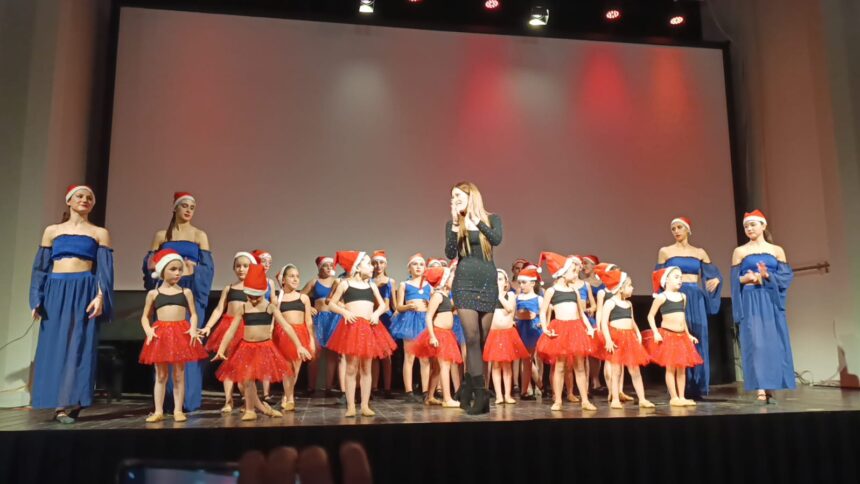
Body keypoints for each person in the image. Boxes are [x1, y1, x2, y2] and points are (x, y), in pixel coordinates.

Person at [29, 185, 114, 424]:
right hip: (56, 290)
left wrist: (100, 297)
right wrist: (36, 298)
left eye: (89, 197)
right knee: (55, 344)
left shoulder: (99, 233)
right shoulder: (52, 231)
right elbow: (40, 268)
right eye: (80, 196)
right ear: (69, 200)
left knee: (78, 343)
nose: (85, 200)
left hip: (84, 289)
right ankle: (57, 403)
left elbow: (104, 271)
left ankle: (72, 401)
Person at [142, 192, 214, 411]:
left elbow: (207, 267)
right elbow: (149, 264)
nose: (189, 210)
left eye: (192, 207)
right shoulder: (161, 235)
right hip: (167, 290)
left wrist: (193, 270)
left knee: (187, 343)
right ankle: (165, 402)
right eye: (184, 206)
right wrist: (160, 272)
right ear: (175, 208)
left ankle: (187, 401)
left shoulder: (199, 234)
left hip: (191, 288)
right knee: (165, 343)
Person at [213, 264, 311, 421]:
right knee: (247, 380)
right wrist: (221, 349)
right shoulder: (243, 308)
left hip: (264, 348)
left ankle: (263, 407)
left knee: (254, 380)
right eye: (250, 296)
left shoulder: (270, 308)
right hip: (246, 347)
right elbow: (231, 330)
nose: (253, 300)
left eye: (256, 296)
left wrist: (299, 345)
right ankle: (251, 409)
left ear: (263, 292)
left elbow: (286, 326)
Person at [445, 182, 503, 415]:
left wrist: (475, 219)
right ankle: (481, 394)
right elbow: (450, 253)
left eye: (458, 195)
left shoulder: (492, 219)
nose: (455, 199)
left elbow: (496, 239)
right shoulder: (453, 224)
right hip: (464, 284)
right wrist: (456, 224)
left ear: (471, 196)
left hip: (488, 283)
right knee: (471, 337)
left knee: (481, 342)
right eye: (452, 196)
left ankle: (467, 385)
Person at [730, 210, 795, 403]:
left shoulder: (777, 250)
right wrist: (747, 278)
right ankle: (760, 387)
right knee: (756, 343)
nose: (749, 229)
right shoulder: (740, 251)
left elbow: (786, 277)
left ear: (763, 225)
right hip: (751, 298)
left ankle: (771, 387)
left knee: (772, 343)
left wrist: (767, 275)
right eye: (746, 226)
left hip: (770, 297)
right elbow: (735, 281)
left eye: (753, 225)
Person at [655, 216, 722, 398]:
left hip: (695, 296)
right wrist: (663, 300)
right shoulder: (665, 251)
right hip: (675, 297)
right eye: (673, 228)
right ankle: (679, 390)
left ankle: (698, 385)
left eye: (679, 227)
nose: (676, 231)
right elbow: (658, 278)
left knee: (697, 338)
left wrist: (716, 280)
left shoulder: (699, 252)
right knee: (678, 339)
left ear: (688, 230)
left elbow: (712, 274)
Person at [138, 249, 208, 422]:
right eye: (173, 269)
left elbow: (193, 314)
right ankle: (158, 411)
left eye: (180, 269)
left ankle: (178, 410)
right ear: (162, 270)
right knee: (161, 375)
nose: (178, 273)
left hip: (180, 333)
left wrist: (193, 328)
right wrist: (148, 330)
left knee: (179, 374)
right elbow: (145, 316)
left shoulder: (185, 292)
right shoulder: (154, 294)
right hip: (160, 335)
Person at [325, 251, 397, 417]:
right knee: (351, 367)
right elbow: (332, 304)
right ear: (357, 267)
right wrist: (344, 312)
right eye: (368, 264)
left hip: (369, 328)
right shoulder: (345, 284)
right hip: (352, 328)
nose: (372, 267)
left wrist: (376, 314)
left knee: (366, 368)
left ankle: (364, 405)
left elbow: (383, 305)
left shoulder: (371, 285)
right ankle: (351, 406)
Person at [535, 252, 598, 412]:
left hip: (575, 329)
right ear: (563, 272)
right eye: (573, 271)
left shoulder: (574, 291)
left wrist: (589, 328)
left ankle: (585, 400)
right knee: (560, 366)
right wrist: (545, 328)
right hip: (560, 330)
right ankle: (557, 400)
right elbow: (542, 312)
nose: (576, 275)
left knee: (580, 366)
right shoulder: (552, 291)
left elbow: (581, 313)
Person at [200, 251, 256, 413]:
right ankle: (228, 400)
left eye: (245, 266)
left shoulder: (254, 289)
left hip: (246, 328)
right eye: (238, 266)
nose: (241, 269)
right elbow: (219, 309)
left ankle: (247, 401)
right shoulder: (229, 288)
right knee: (229, 364)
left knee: (245, 367)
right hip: (228, 327)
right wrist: (208, 326)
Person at [645, 266, 703, 406]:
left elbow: (682, 318)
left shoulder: (683, 297)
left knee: (681, 368)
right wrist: (656, 332)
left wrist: (688, 335)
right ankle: (674, 397)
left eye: (681, 278)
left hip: (681, 336)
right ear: (666, 280)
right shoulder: (662, 297)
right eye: (676, 277)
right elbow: (650, 316)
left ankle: (682, 397)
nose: (680, 280)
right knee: (670, 368)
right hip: (668, 336)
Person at [599, 269, 655, 409]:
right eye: (629, 285)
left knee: (635, 370)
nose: (632, 288)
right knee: (616, 370)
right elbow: (604, 323)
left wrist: (637, 333)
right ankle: (615, 398)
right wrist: (608, 340)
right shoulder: (610, 303)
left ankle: (642, 399)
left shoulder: (628, 304)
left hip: (629, 338)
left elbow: (632, 320)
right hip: (616, 338)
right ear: (620, 288)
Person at [409, 266, 463, 408]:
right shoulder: (438, 296)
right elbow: (428, 317)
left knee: (437, 368)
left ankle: (430, 397)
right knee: (444, 366)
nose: (453, 280)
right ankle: (447, 398)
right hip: (439, 334)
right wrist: (432, 336)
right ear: (443, 280)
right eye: (450, 278)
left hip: (446, 334)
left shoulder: (445, 295)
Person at [389, 253, 431, 402]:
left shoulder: (429, 286)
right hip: (410, 321)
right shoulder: (404, 285)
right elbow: (399, 306)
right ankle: (409, 391)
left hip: (425, 321)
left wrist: (429, 304)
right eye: (415, 264)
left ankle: (426, 390)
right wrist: (407, 306)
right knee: (409, 357)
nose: (418, 267)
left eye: (421, 264)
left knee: (425, 358)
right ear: (409, 268)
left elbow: (435, 305)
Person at [483, 269, 528, 404]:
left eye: (501, 279)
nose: (498, 281)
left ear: (506, 282)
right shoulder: (488, 296)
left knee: (507, 365)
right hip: (494, 334)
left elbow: (509, 309)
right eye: (496, 279)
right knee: (496, 365)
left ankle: (507, 394)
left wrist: (500, 296)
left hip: (507, 334)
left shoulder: (510, 295)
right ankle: (499, 395)